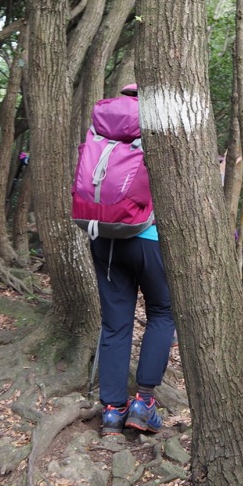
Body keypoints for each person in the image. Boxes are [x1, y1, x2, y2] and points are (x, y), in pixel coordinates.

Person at [89, 83, 176, 436]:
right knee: (163, 312)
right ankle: (143, 402)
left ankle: (111, 410)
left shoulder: (102, 124)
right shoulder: (163, 124)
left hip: (105, 236)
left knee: (115, 324)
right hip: (149, 237)